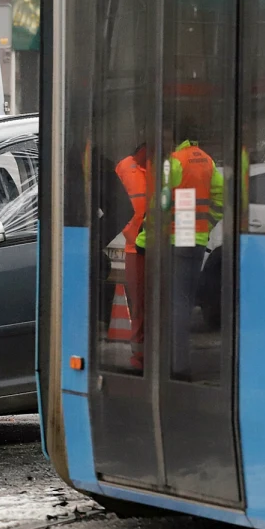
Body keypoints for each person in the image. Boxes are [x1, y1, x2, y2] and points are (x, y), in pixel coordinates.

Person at [163, 138, 223, 380]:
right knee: (185, 304)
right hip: (197, 237)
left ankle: (178, 366)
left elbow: (162, 201)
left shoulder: (175, 162)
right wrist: (207, 225)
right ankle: (181, 361)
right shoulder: (207, 160)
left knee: (176, 303)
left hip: (177, 236)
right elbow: (220, 200)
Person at [115, 142, 149, 370]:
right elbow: (115, 204)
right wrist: (129, 232)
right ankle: (138, 357)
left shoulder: (167, 167)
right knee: (138, 306)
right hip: (134, 248)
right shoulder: (124, 168)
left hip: (160, 247)